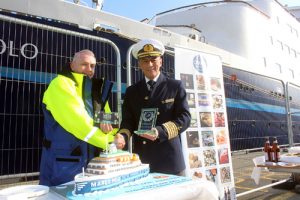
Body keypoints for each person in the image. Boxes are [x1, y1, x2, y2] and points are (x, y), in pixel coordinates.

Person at [39, 50, 125, 186]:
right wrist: (109, 141)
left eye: (92, 66)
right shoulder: (60, 84)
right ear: (72, 65)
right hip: (65, 163)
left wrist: (115, 133)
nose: (89, 69)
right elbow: (78, 121)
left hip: (95, 161)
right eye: (84, 64)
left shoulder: (97, 90)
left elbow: (108, 119)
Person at [118, 39, 191, 175]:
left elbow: (185, 118)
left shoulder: (174, 86)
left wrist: (160, 131)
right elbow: (128, 121)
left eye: (153, 60)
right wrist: (122, 136)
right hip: (142, 160)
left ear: (161, 61)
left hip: (169, 160)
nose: (150, 64)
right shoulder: (131, 91)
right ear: (139, 64)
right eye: (145, 61)